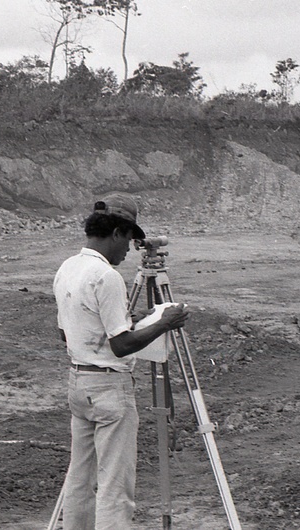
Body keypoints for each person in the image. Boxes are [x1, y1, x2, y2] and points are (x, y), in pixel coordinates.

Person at [54, 193, 189, 530]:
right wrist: (163, 323)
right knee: (115, 486)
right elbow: (121, 345)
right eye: (128, 239)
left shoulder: (68, 267)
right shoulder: (107, 277)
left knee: (80, 479)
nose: (129, 250)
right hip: (109, 389)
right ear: (116, 232)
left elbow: (66, 334)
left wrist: (130, 318)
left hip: (78, 384)